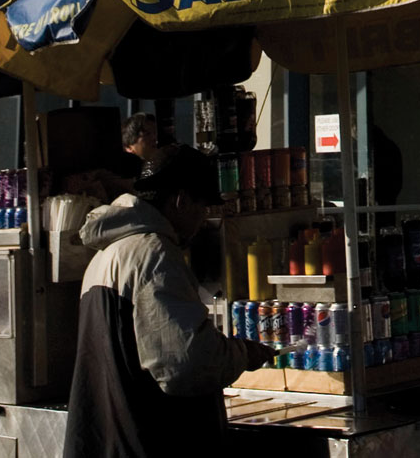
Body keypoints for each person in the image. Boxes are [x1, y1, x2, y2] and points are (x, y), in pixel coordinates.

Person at [63, 144, 270, 458]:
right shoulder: (154, 253)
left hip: (112, 441)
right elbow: (187, 364)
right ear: (181, 201)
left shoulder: (106, 254)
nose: (203, 220)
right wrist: (243, 353)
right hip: (148, 441)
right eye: (203, 208)